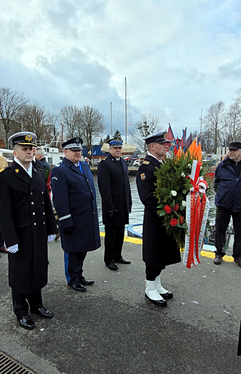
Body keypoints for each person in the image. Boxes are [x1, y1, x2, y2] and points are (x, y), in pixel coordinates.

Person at [0, 131, 57, 330]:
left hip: (37, 232)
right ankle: (20, 310)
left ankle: (36, 304)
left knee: (37, 267)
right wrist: (9, 239)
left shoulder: (38, 173)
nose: (30, 152)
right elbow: (3, 212)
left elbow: (46, 202)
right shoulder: (5, 177)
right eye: (25, 149)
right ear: (15, 153)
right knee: (20, 272)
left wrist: (51, 228)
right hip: (20, 234)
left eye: (31, 149)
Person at [136, 131, 181, 307]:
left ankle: (157, 284)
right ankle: (150, 287)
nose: (166, 146)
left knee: (163, 252)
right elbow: (147, 197)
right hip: (156, 218)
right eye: (162, 144)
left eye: (166, 144)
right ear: (152, 146)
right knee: (154, 252)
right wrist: (166, 210)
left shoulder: (161, 164)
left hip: (166, 216)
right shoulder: (146, 167)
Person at [51, 137, 100, 292]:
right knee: (72, 251)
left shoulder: (84, 166)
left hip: (86, 217)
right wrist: (66, 221)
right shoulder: (60, 170)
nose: (78, 153)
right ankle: (72, 279)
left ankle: (79, 274)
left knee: (82, 248)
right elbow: (59, 200)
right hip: (72, 219)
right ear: (65, 152)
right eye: (74, 151)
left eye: (79, 150)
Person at [97, 138, 132, 271]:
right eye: (115, 148)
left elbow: (126, 185)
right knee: (111, 234)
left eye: (119, 148)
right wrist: (109, 206)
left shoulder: (123, 162)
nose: (118, 150)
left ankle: (118, 255)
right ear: (110, 149)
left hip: (122, 204)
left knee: (120, 233)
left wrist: (129, 203)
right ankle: (109, 259)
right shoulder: (105, 164)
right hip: (111, 206)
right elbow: (104, 189)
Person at [213, 141, 241, 267]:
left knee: (240, 231)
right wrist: (222, 194)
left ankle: (238, 256)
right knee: (220, 230)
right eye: (230, 150)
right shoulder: (222, 165)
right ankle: (219, 253)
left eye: (234, 150)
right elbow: (216, 183)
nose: (231, 152)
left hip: (240, 204)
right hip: (223, 203)